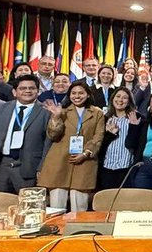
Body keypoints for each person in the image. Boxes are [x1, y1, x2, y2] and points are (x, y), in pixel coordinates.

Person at [38, 81, 105, 211]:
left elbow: (98, 137)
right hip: (59, 160)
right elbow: (53, 135)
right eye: (73, 93)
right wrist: (56, 117)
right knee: (57, 208)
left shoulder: (97, 113)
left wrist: (86, 153)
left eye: (81, 93)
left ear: (88, 94)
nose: (77, 96)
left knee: (79, 208)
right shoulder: (61, 111)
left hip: (84, 161)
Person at [96, 87, 141, 192]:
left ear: (129, 101)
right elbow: (100, 146)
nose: (120, 100)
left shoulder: (137, 118)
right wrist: (109, 134)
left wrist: (134, 127)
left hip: (126, 169)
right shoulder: (105, 118)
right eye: (118, 96)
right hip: (107, 168)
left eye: (125, 98)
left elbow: (133, 144)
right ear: (112, 99)